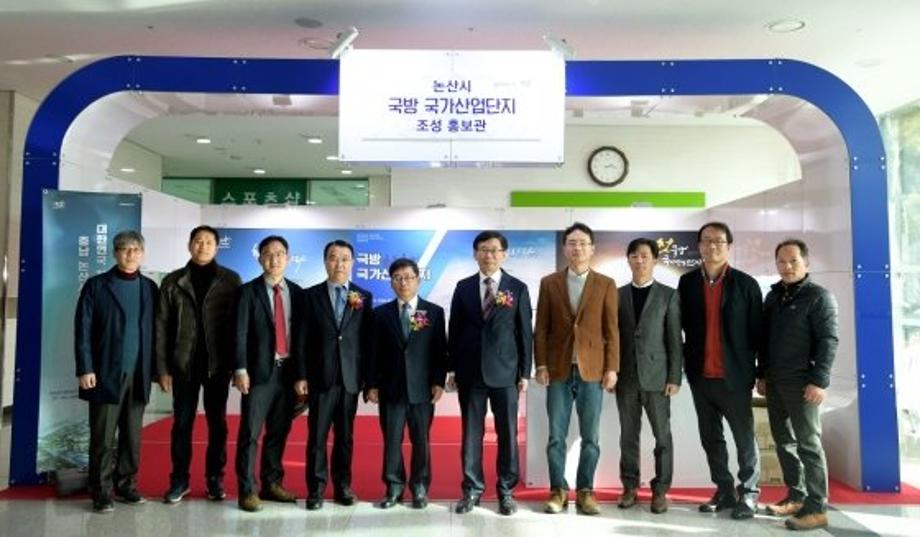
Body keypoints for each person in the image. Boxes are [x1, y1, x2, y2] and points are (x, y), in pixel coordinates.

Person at [678, 221, 762, 519]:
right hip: (701, 376)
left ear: (728, 246)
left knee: (744, 438)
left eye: (719, 241)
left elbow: (758, 333)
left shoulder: (746, 284)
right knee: (711, 438)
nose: (712, 245)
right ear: (699, 246)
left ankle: (749, 493)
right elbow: (680, 327)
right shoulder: (687, 283)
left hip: (735, 377)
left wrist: (761, 373)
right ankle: (724, 490)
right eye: (707, 240)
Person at [533, 222, 619, 515]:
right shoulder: (549, 282)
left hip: (592, 372)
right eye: (572, 243)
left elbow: (612, 330)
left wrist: (612, 368)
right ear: (564, 248)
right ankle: (558, 490)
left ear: (592, 249)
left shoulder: (606, 284)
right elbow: (541, 329)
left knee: (591, 438)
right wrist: (541, 364)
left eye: (583, 243)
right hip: (557, 370)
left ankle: (586, 491)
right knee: (556, 437)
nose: (577, 248)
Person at [447, 230, 533, 516]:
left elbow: (524, 332)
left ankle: (506, 491)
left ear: (504, 254)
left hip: (506, 373)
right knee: (471, 434)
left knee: (507, 434)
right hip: (470, 372)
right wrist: (451, 368)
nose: (489, 255)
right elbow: (455, 329)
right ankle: (472, 489)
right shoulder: (463, 287)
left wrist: (524, 373)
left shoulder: (517, 288)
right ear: (475, 254)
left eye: (495, 250)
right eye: (483, 249)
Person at [155, 225, 241, 504]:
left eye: (208, 242)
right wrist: (162, 369)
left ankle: (215, 479)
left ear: (217, 247)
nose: (202, 246)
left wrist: (237, 365)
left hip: (218, 365)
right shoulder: (173, 281)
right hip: (183, 365)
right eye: (198, 241)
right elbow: (161, 327)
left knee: (218, 425)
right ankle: (179, 480)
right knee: (182, 424)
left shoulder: (230, 280)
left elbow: (238, 327)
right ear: (189, 245)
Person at [74, 230, 158, 513]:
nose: (131, 254)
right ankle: (100, 491)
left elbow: (156, 332)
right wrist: (85, 367)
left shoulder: (150, 288)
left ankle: (126, 486)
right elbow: (83, 330)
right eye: (124, 248)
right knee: (103, 436)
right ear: (115, 253)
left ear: (143, 254)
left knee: (132, 436)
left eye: (136, 249)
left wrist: (158, 370)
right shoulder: (97, 286)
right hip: (104, 373)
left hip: (139, 373)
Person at [757, 239, 838, 531]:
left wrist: (819, 381)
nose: (787, 266)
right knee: (784, 442)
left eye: (793, 261)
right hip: (775, 381)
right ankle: (796, 496)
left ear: (806, 263)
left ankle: (817, 508)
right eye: (781, 261)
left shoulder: (819, 297)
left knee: (808, 444)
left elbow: (828, 341)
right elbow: (764, 339)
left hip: (804, 384)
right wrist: (762, 374)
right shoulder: (773, 296)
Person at [294, 239, 374, 510]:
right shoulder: (309, 296)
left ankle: (343, 487)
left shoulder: (363, 296)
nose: (339, 263)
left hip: (350, 378)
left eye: (344, 258)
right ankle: (316, 489)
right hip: (320, 377)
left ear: (352, 262)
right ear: (325, 261)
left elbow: (367, 341)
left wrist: (369, 380)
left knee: (345, 437)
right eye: (333, 257)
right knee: (317, 437)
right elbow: (301, 339)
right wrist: (301, 375)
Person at [365, 258, 447, 510]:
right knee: (392, 441)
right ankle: (394, 487)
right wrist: (372, 384)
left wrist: (438, 381)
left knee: (421, 441)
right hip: (390, 388)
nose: (403, 282)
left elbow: (439, 351)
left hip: (422, 390)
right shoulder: (380, 314)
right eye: (398, 278)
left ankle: (420, 487)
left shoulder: (433, 312)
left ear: (418, 280)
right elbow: (372, 353)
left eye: (409, 277)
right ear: (391, 282)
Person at [233, 235, 303, 512]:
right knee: (250, 434)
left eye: (279, 253)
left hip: (288, 374)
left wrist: (302, 375)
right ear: (260, 258)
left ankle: (272, 484)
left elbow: (302, 337)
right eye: (268, 254)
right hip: (258, 374)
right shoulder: (247, 292)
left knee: (278, 432)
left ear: (288, 258)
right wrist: (240, 369)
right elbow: (239, 332)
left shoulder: (298, 293)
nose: (274, 259)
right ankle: (247, 490)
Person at [615, 238, 682, 514]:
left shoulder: (668, 295)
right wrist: (612, 371)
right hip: (625, 377)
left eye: (644, 255)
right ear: (628, 260)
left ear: (654, 259)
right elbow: (613, 338)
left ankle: (660, 490)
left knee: (662, 437)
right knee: (628, 436)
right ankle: (630, 486)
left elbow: (675, 339)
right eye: (634, 256)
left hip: (658, 378)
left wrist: (675, 377)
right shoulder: (617, 295)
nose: (639, 260)